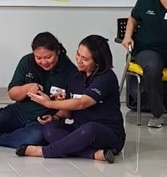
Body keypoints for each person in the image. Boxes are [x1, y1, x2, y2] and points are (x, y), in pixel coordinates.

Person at [16, 34, 125, 163]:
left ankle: (43, 152)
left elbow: (82, 103)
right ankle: (94, 154)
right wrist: (56, 116)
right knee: (49, 130)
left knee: (90, 129)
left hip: (106, 133)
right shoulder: (75, 77)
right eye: (78, 54)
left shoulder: (106, 78)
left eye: (84, 58)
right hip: (79, 129)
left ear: (97, 61)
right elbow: (70, 114)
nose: (78, 60)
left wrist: (49, 103)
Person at [0, 32, 76, 148]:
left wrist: (55, 117)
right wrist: (27, 88)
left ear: (57, 51)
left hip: (43, 122)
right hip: (18, 113)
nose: (44, 62)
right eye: (38, 58)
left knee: (35, 137)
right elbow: (12, 94)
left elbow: (71, 109)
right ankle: (10, 133)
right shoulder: (27, 61)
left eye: (48, 57)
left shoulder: (71, 72)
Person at [122, 0, 167, 127]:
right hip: (149, 49)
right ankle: (157, 113)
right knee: (152, 68)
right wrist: (127, 36)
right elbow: (133, 19)